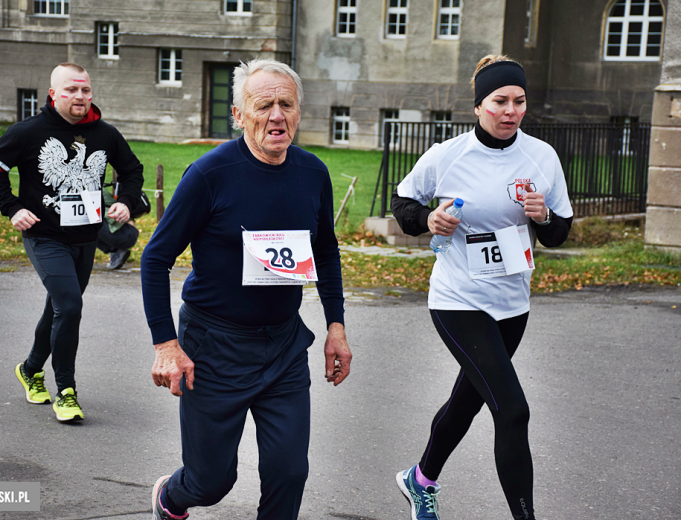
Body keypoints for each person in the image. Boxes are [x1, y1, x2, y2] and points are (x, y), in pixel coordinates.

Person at [141, 58, 352, 520]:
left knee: (289, 471)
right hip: (214, 347)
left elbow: (326, 252)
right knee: (211, 481)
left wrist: (336, 326)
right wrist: (166, 344)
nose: (277, 116)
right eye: (264, 105)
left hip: (283, 345)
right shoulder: (209, 175)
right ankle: (170, 497)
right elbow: (155, 258)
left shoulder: (313, 173)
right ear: (239, 115)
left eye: (287, 105)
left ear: (299, 112)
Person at [391, 55, 573, 520]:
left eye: (519, 101)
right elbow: (403, 203)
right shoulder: (447, 156)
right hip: (458, 299)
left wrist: (543, 217)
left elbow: (558, 232)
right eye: (499, 101)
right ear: (478, 106)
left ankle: (420, 479)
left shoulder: (542, 157)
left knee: (467, 401)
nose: (510, 110)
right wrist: (427, 218)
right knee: (512, 410)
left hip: (512, 304)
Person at [0, 62, 144, 422]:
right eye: (71, 90)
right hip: (45, 236)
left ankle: (30, 368)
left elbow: (132, 171)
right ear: (54, 94)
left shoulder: (105, 133)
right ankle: (66, 390)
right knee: (69, 307)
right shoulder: (29, 131)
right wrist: (11, 208)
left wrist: (126, 202)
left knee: (59, 307)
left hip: (85, 238)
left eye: (85, 90)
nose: (80, 97)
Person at [97, 185, 150, 269]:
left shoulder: (92, 191)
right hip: (127, 232)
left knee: (87, 223)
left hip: (126, 233)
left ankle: (116, 250)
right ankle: (115, 250)